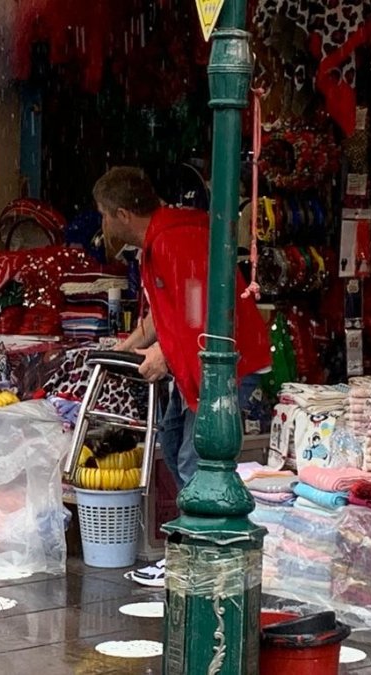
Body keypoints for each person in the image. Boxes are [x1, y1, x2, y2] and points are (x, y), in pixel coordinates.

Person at [93, 166, 271, 586]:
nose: (101, 224)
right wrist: (126, 345)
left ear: (121, 214)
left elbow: (198, 313)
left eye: (102, 214)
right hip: (196, 364)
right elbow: (169, 308)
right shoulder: (162, 239)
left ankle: (200, 561)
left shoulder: (175, 240)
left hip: (222, 364)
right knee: (172, 443)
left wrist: (163, 355)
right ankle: (194, 549)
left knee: (197, 460)